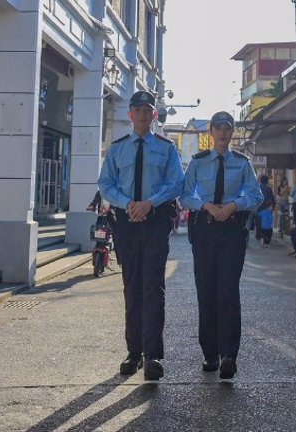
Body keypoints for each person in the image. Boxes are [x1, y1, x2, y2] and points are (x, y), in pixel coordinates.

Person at [98, 90, 184, 380]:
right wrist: (128, 204)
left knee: (153, 287)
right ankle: (133, 353)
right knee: (131, 286)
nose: (144, 115)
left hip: (156, 221)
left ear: (154, 115)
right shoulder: (118, 149)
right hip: (126, 223)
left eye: (149, 110)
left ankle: (153, 356)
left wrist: (150, 203)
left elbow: (176, 183)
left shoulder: (166, 148)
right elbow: (106, 184)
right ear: (130, 114)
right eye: (138, 110)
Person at [180, 111, 263, 379]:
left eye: (228, 128)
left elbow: (255, 195)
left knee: (228, 291)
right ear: (211, 132)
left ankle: (229, 355)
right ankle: (210, 354)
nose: (223, 133)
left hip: (232, 231)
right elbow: (185, 195)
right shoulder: (198, 162)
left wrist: (234, 205)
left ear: (232, 132)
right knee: (206, 291)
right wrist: (204, 205)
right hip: (204, 230)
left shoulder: (242, 163)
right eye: (219, 128)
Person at [255, 175, 275, 247]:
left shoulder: (257, 188)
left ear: (260, 180)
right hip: (266, 208)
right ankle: (265, 239)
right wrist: (272, 208)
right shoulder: (268, 188)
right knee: (265, 224)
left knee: (258, 224)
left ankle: (259, 236)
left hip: (258, 209)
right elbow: (272, 199)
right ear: (267, 181)